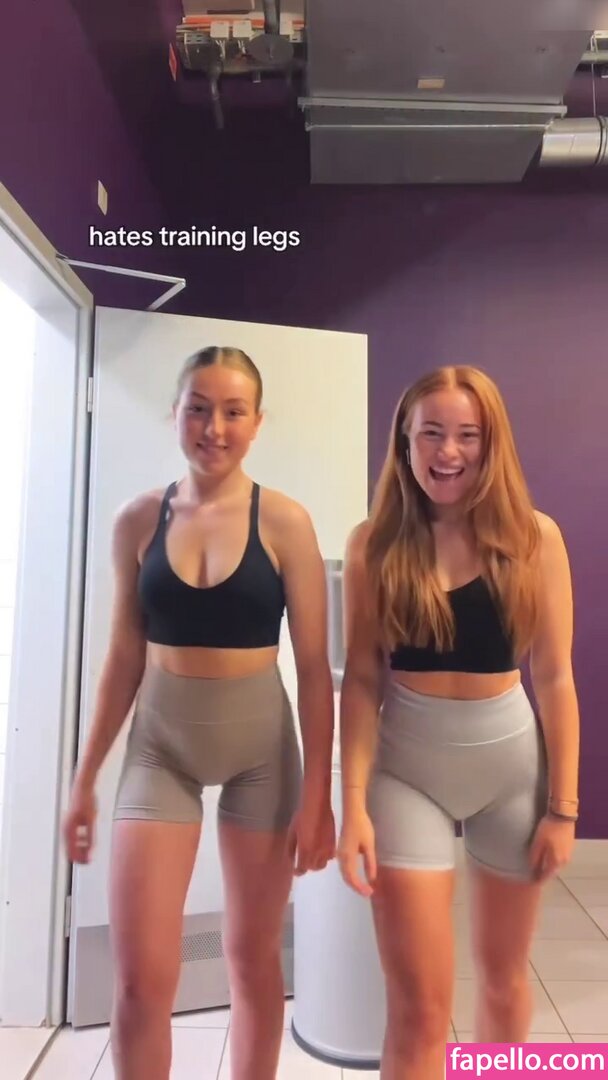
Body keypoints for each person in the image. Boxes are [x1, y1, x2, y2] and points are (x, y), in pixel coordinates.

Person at [63, 345, 336, 1080]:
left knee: (251, 960)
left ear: (257, 421)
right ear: (176, 414)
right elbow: (123, 657)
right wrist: (84, 780)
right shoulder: (136, 521)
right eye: (199, 409)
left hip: (261, 756)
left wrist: (318, 797)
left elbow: (315, 670)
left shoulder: (285, 522)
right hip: (160, 752)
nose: (215, 428)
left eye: (233, 411)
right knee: (140, 980)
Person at [338, 365, 579, 1079]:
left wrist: (563, 810)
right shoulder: (373, 543)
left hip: (510, 771)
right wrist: (351, 804)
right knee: (418, 1008)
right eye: (432, 433)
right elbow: (361, 680)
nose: (449, 452)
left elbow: (555, 678)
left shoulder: (535, 538)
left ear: (491, 443)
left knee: (503, 985)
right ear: (404, 442)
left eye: (468, 435)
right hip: (407, 772)